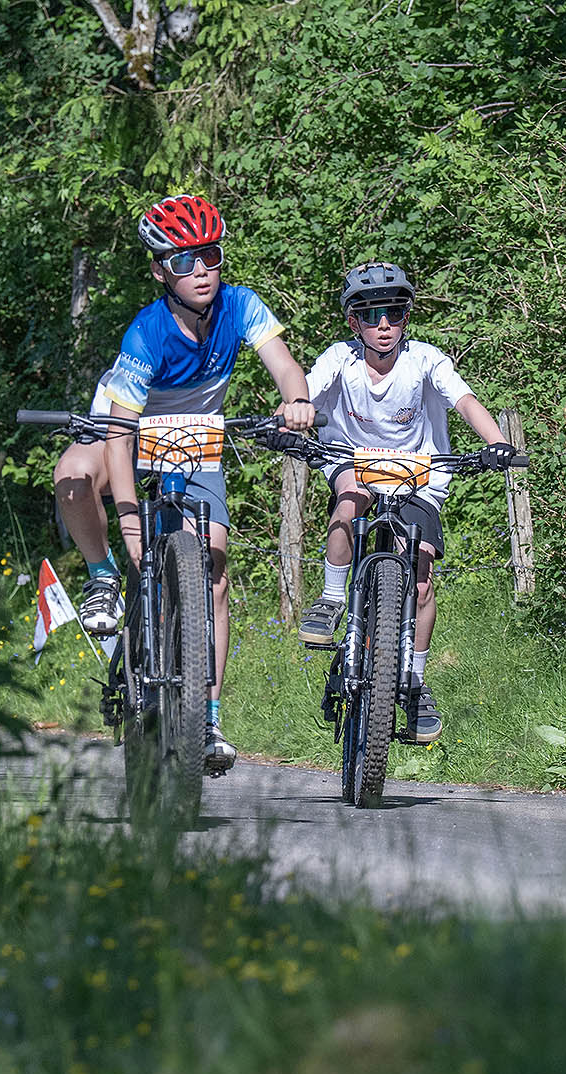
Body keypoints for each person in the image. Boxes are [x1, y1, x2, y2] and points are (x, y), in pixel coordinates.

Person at [50, 193, 316, 772]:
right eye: (182, 261)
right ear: (159, 272)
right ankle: (102, 579)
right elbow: (117, 437)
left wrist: (296, 401)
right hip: (126, 427)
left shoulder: (241, 306)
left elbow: (286, 367)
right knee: (71, 477)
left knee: (214, 571)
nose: (200, 271)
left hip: (191, 439)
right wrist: (129, 527)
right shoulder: (146, 331)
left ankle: (209, 718)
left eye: (210, 256)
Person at [297, 261, 521, 745]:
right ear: (353, 322)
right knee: (348, 503)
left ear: (406, 317)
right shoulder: (340, 359)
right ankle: (332, 598)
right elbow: (304, 394)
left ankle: (415, 681)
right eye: (370, 315)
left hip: (418, 474)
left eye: (394, 314)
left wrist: (497, 442)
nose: (383, 325)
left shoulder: (424, 361)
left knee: (419, 579)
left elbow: (464, 401)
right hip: (354, 462)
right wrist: (288, 417)